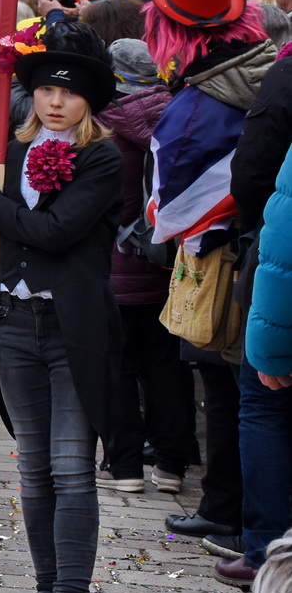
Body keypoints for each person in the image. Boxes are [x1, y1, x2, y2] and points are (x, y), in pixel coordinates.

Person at [0, 21, 121, 593]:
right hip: (18, 325)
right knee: (34, 469)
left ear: (89, 102)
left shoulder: (102, 156)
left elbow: (55, 231)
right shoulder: (14, 153)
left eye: (70, 92)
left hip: (73, 329)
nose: (56, 101)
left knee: (72, 466)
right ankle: (43, 592)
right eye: (47, 90)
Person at [142, 0, 276, 587]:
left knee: (231, 391)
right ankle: (226, 507)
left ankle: (232, 513)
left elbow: (173, 205)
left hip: (226, 254)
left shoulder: (199, 103)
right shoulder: (262, 64)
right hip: (252, 243)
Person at [95, 38, 197, 496]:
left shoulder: (104, 126)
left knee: (115, 369)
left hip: (114, 267)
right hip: (166, 264)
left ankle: (125, 466)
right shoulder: (181, 114)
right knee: (166, 369)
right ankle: (172, 466)